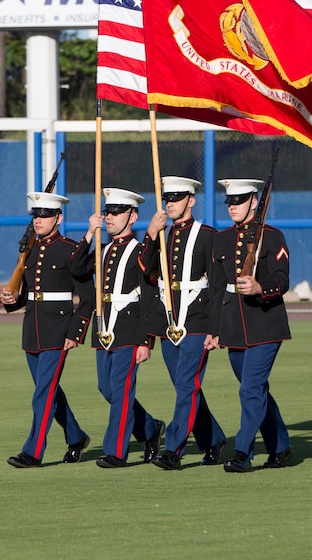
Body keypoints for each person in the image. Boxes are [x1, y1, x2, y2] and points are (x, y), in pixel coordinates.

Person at [139, 176, 228, 470]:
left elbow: (216, 286)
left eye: (177, 198)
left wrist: (216, 329)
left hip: (198, 319)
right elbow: (146, 270)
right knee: (185, 387)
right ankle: (213, 439)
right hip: (169, 319)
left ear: (191, 200)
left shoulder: (208, 235)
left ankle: (173, 448)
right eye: (168, 199)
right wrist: (151, 234)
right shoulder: (163, 235)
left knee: (187, 384)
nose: (171, 204)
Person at [0, 191, 94, 468]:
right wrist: (10, 300)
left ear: (58, 218)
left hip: (58, 330)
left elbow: (87, 298)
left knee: (42, 394)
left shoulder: (71, 250)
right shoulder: (30, 250)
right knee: (49, 390)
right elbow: (28, 292)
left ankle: (33, 451)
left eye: (45, 215)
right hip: (33, 329)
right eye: (35, 216)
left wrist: (75, 333)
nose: (39, 220)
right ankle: (76, 437)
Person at [207, 178, 293, 473]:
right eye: (229, 202)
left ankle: (242, 451)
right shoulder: (222, 239)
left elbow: (282, 280)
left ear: (254, 202)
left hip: (266, 325)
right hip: (234, 327)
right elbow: (217, 290)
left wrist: (260, 288)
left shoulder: (272, 236)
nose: (232, 207)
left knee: (249, 390)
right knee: (256, 390)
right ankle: (280, 446)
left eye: (239, 201)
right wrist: (214, 330)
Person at [84, 187, 165, 468]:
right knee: (105, 387)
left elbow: (149, 293)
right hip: (105, 325)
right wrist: (87, 233)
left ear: (133, 216)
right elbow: (77, 269)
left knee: (121, 389)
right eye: (108, 211)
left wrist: (146, 340)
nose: (110, 217)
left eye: (117, 212)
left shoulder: (140, 250)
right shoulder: (102, 249)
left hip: (130, 326)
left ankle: (116, 451)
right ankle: (149, 429)